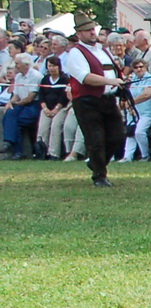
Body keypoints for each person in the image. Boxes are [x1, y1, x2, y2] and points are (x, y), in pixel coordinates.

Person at [59, 13, 129, 186]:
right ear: (79, 34)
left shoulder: (103, 51)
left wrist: (119, 82)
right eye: (88, 30)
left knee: (117, 136)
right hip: (87, 101)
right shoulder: (75, 53)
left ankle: (96, 163)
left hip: (107, 99)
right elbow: (85, 77)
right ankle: (100, 176)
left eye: (93, 29)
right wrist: (110, 81)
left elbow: (112, 71)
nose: (92, 33)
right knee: (95, 139)